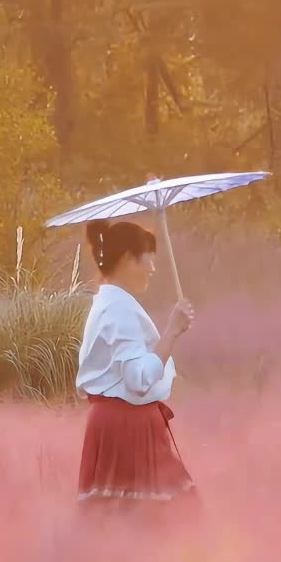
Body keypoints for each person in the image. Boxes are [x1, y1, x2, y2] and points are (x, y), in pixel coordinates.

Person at [74, 218, 200, 522]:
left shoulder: (111, 304)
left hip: (121, 424)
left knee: (125, 523)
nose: (153, 268)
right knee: (161, 522)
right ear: (129, 259)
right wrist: (171, 332)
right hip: (127, 429)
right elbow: (139, 378)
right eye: (148, 258)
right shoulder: (118, 310)